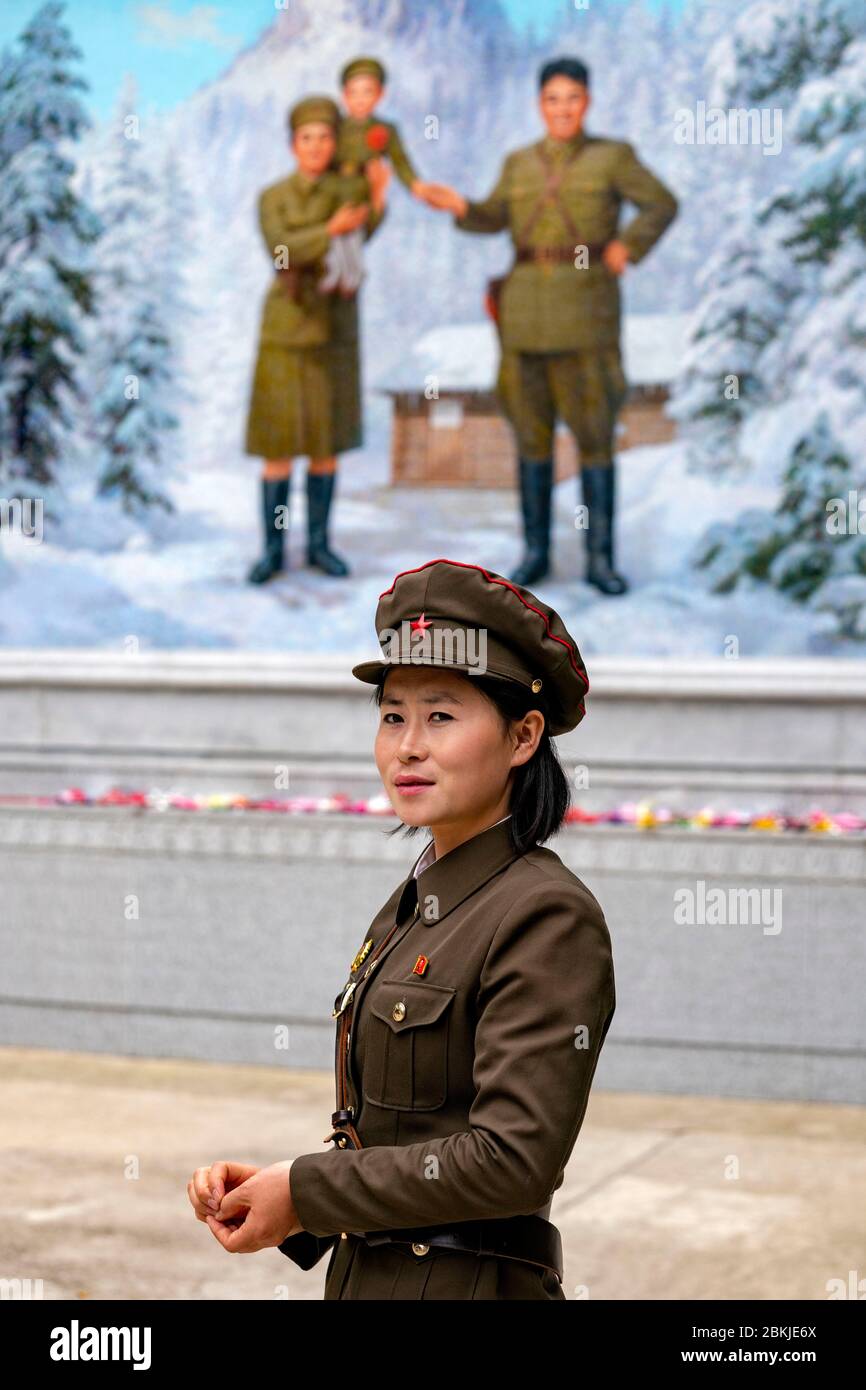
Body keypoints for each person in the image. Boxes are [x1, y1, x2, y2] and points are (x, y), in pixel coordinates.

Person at [187, 557, 617, 1301]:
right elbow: (400, 1138)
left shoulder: (545, 914)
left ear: (523, 736)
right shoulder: (418, 901)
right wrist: (284, 1201)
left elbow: (514, 1159)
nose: (407, 746)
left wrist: (310, 1188)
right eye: (393, 716)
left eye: (441, 716)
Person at [424, 57, 679, 595]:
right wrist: (461, 206)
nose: (562, 109)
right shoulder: (518, 163)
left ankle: (599, 560)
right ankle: (536, 553)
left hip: (586, 316)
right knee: (531, 437)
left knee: (594, 438)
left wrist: (626, 247)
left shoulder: (613, 157)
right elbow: (494, 216)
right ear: (539, 105)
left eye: (572, 98)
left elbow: (661, 203)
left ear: (587, 102)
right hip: (522, 321)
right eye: (552, 99)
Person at [243, 95, 387, 583]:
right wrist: (328, 229)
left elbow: (360, 236)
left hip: (332, 329)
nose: (316, 146)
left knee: (325, 444)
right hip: (285, 329)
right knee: (278, 447)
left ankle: (320, 546)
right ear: (292, 144)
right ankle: (273, 549)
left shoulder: (347, 189)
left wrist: (376, 203)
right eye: (307, 138)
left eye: (325, 137)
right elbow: (281, 252)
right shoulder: (272, 197)